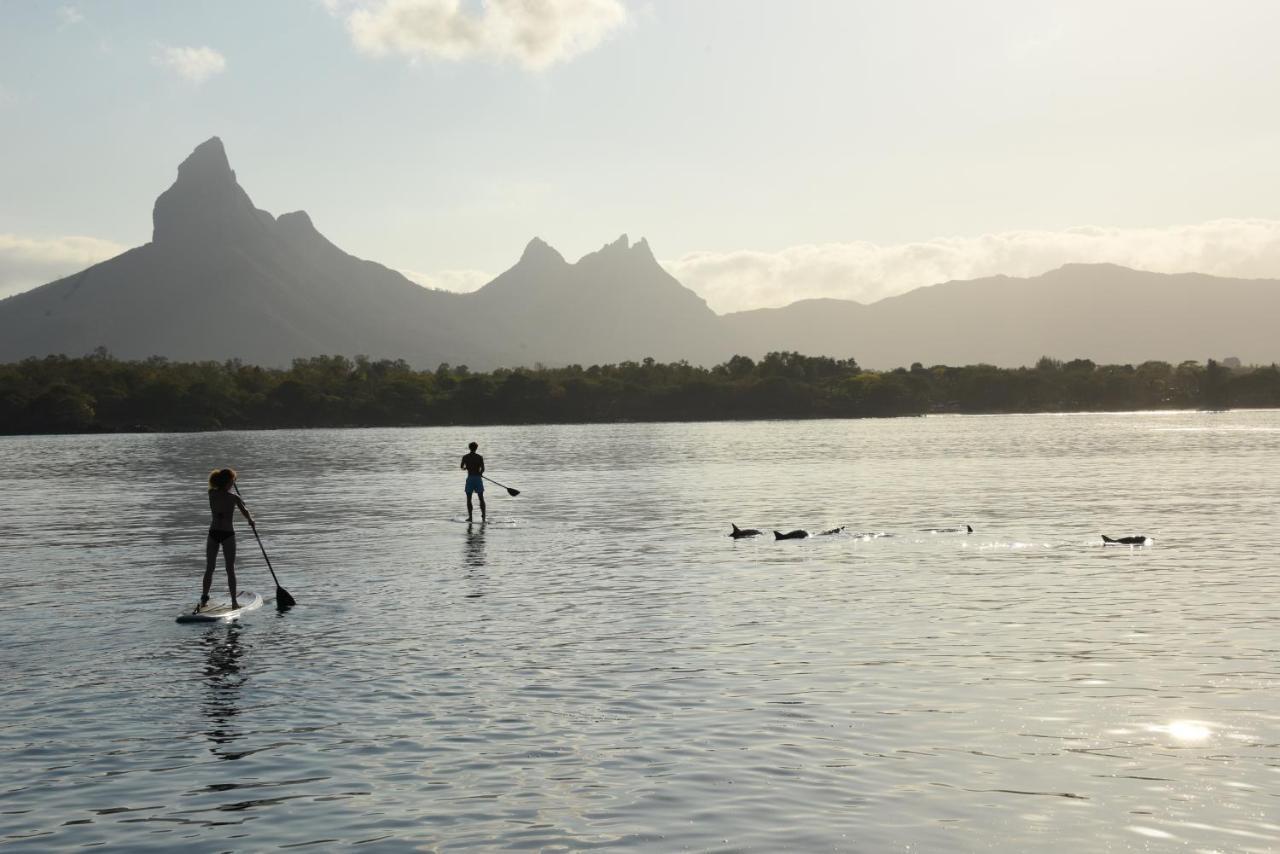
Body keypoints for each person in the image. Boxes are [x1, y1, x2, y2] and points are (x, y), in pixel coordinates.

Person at [200, 468, 255, 612]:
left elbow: (224, 493)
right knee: (229, 569)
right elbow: (245, 511)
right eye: (233, 480)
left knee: (209, 567)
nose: (233, 482)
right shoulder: (234, 497)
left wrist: (246, 512)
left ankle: (204, 598)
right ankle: (234, 602)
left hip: (213, 533)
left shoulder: (211, 493)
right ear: (228, 482)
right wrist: (250, 520)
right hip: (227, 534)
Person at [460, 441, 486, 522]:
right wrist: (480, 473)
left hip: (470, 478)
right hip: (478, 479)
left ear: (469, 448)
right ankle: (484, 517)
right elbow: (483, 469)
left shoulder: (465, 457)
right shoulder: (479, 457)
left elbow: (462, 467)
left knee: (469, 499)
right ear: (476, 448)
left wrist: (465, 468)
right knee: (481, 498)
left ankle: (470, 517)